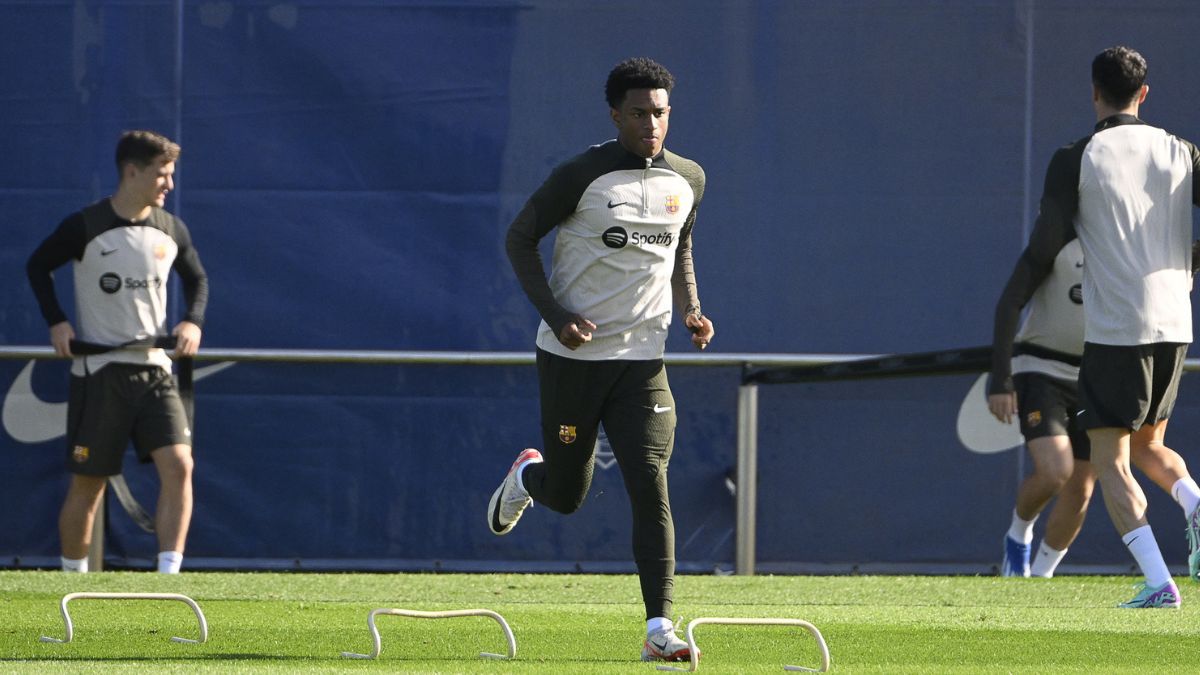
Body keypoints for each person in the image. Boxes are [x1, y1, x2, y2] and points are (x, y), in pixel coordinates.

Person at [490, 57, 713, 661]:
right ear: (615, 114)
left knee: (651, 483)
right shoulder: (581, 176)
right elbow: (519, 237)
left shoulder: (688, 177)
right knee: (567, 494)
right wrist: (559, 316)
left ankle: (659, 630)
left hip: (644, 363)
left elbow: (681, 245)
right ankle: (528, 477)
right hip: (573, 362)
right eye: (639, 113)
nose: (651, 124)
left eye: (660, 113)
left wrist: (692, 307)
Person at [1005, 46, 1200, 607]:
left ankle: (1159, 582)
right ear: (1144, 95)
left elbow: (1047, 244)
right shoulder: (1182, 150)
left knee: (1110, 459)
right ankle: (1191, 502)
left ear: (1094, 92)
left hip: (1118, 328)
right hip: (1176, 322)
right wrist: (1190, 264)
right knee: (1151, 448)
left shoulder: (1078, 156)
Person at [26, 130, 209, 574]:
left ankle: (168, 580)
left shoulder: (171, 229)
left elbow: (197, 280)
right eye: (162, 174)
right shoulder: (85, 226)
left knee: (180, 466)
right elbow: (37, 267)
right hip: (100, 372)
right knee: (89, 485)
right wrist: (57, 320)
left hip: (156, 372)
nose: (169, 184)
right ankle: (71, 584)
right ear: (132, 171)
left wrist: (192, 321)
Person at [989, 238, 1199, 579]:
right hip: (1042, 369)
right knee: (1055, 470)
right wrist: (1001, 379)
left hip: (1098, 372)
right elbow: (1010, 301)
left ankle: (1041, 577)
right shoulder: (1056, 238)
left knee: (1083, 485)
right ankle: (1018, 533)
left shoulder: (1132, 245)